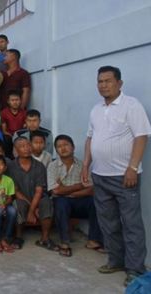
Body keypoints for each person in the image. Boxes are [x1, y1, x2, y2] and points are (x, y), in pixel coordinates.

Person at [82, 66, 151, 286]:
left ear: (119, 83)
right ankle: (116, 261)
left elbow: (142, 137)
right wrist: (86, 165)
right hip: (100, 176)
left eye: (108, 81)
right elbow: (90, 139)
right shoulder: (95, 109)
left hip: (124, 176)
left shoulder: (132, 105)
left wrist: (132, 167)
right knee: (108, 223)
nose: (103, 85)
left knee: (131, 224)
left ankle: (136, 269)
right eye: (100, 81)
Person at [47, 135, 103, 258]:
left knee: (97, 202)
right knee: (61, 203)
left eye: (66, 145)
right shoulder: (52, 166)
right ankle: (65, 243)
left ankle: (93, 240)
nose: (63, 148)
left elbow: (91, 189)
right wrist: (80, 186)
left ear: (73, 147)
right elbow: (55, 191)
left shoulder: (82, 166)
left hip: (79, 201)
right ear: (56, 150)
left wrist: (67, 191)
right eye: (59, 146)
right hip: (62, 202)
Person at [7, 137, 54, 251]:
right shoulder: (11, 166)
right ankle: (18, 237)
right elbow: (16, 191)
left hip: (39, 198)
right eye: (22, 146)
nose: (27, 148)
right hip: (22, 198)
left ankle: (45, 238)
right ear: (16, 149)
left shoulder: (39, 166)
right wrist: (31, 210)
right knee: (18, 204)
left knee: (46, 202)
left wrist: (33, 209)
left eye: (28, 145)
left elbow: (39, 191)